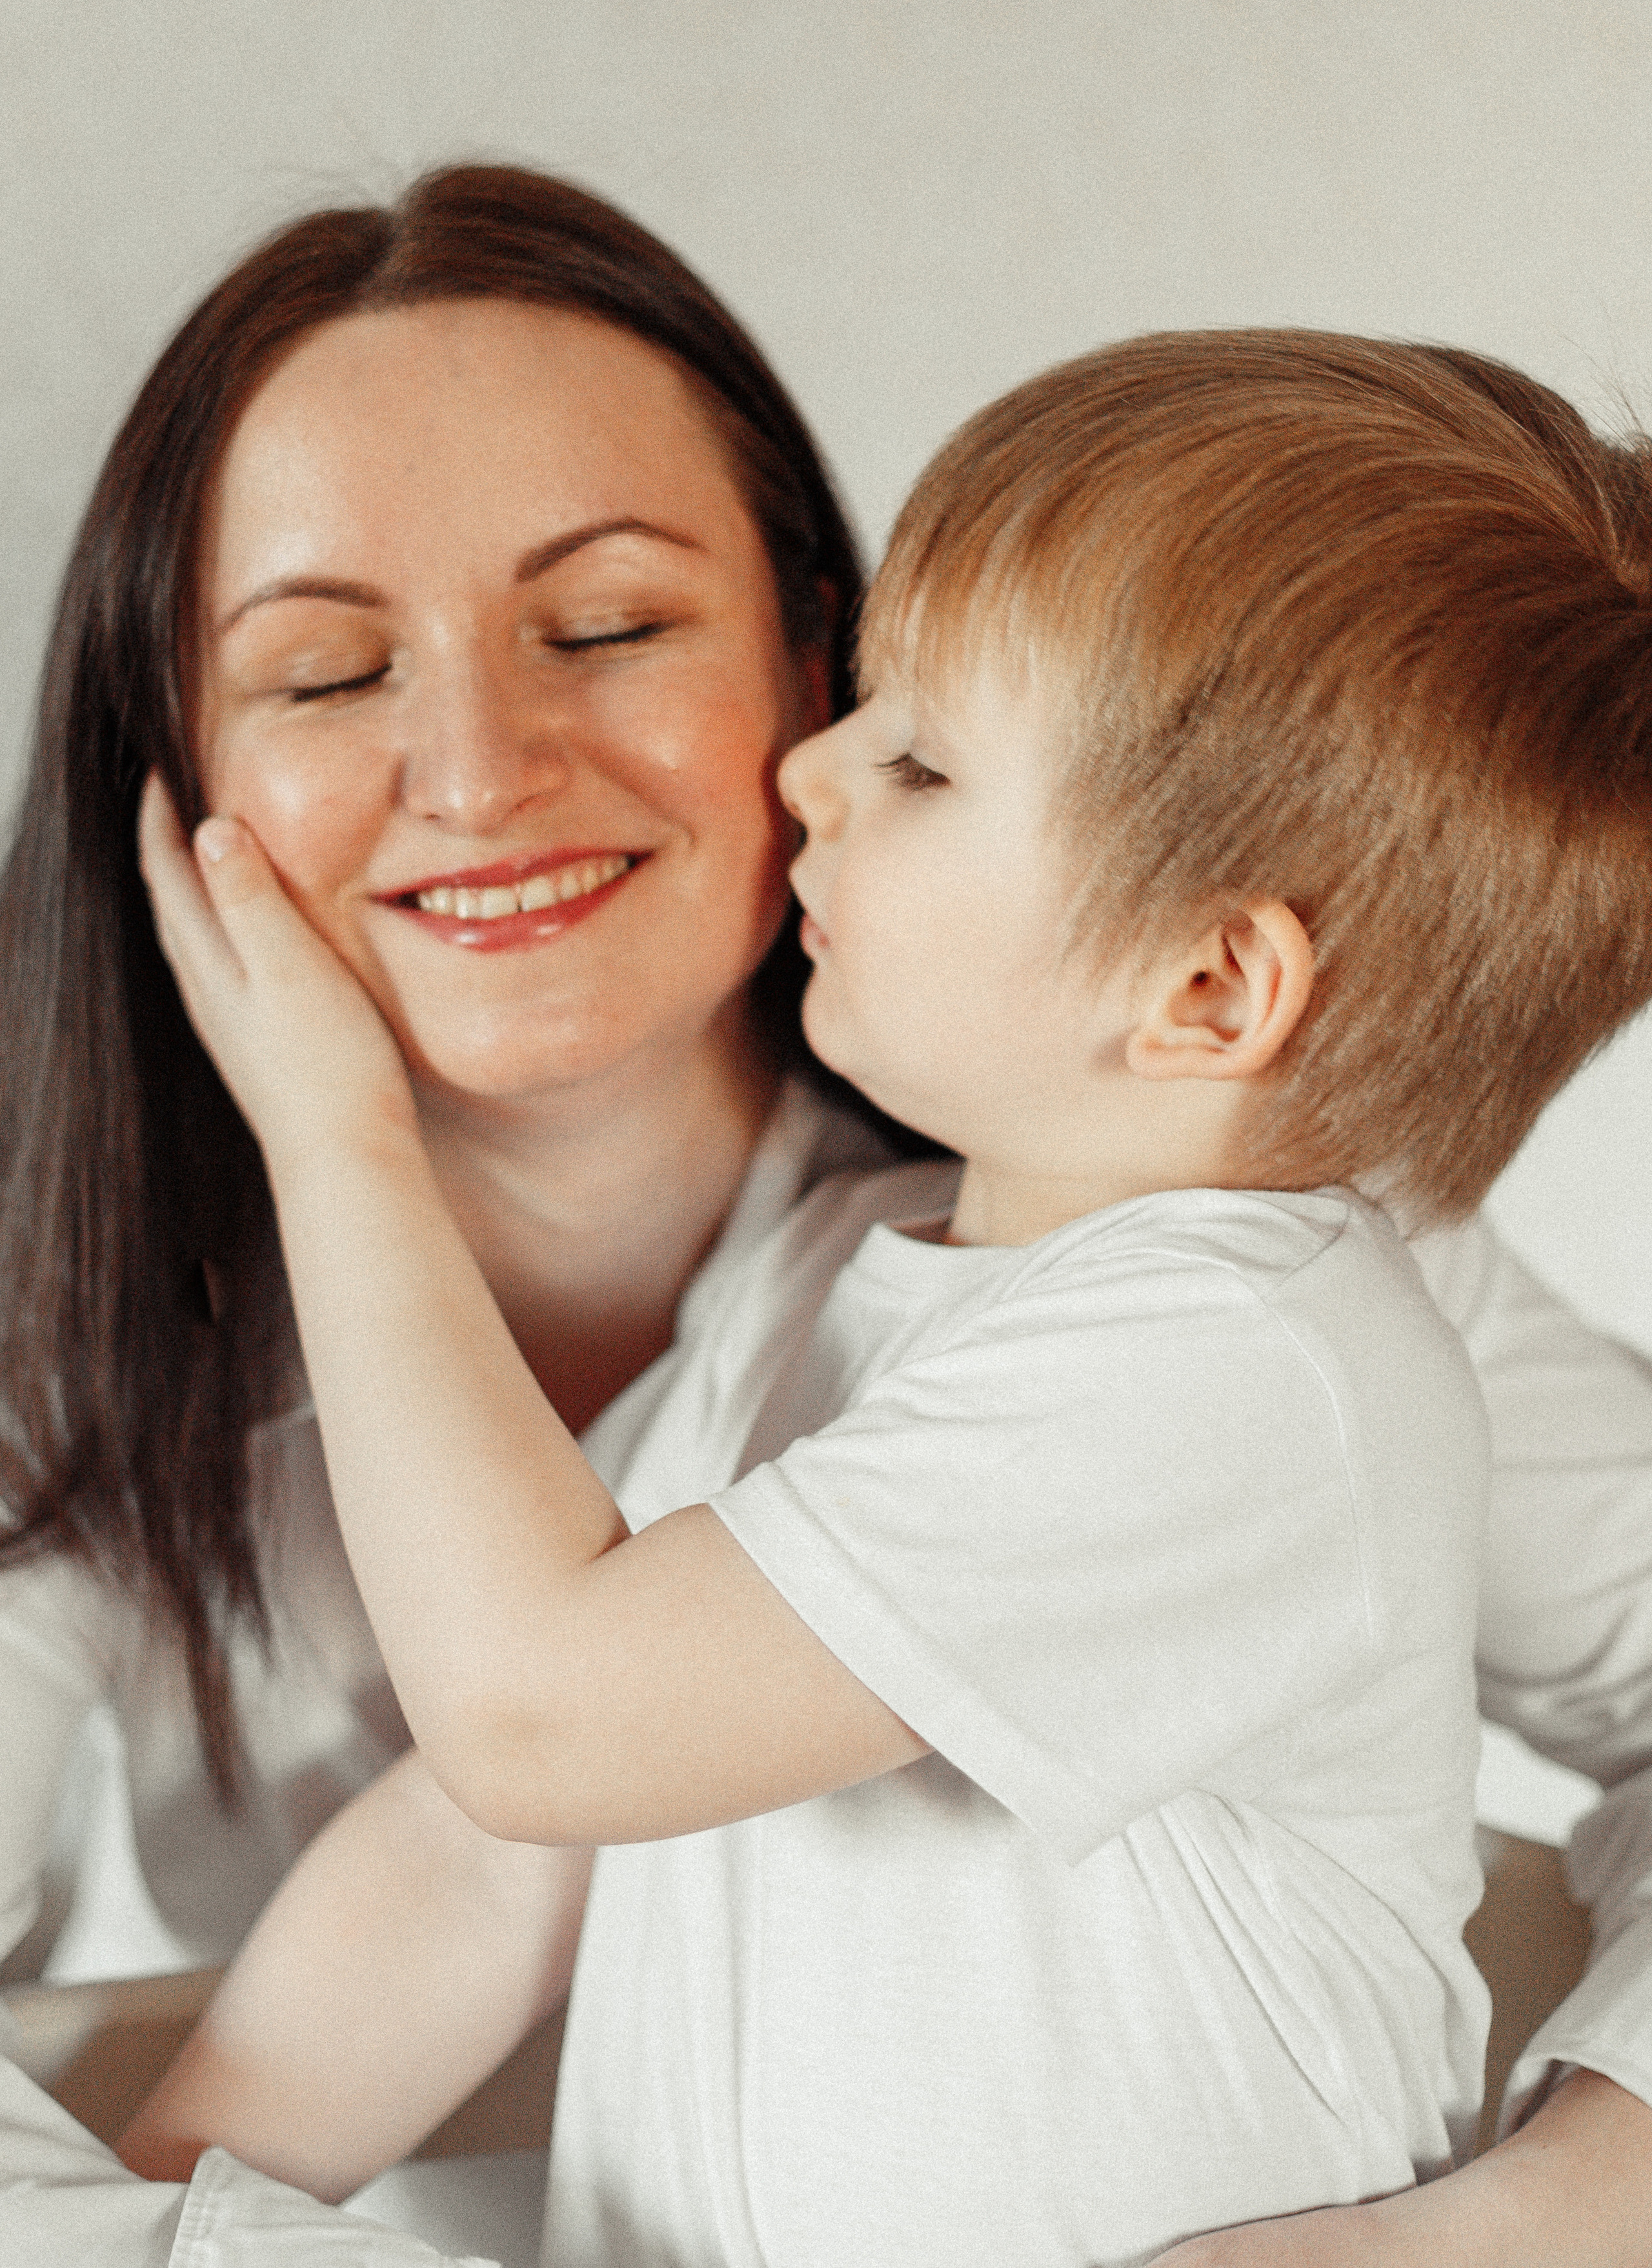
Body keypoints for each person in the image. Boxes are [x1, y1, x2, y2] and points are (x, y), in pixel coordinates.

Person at [0, 170, 1643, 2265]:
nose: (479, 769)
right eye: (324, 672)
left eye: (610, 628)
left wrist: (1552, 2213)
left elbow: (537, 1722)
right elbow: (486, 1849)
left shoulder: (1258, 1348)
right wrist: (166, 2222)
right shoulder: (820, 1294)